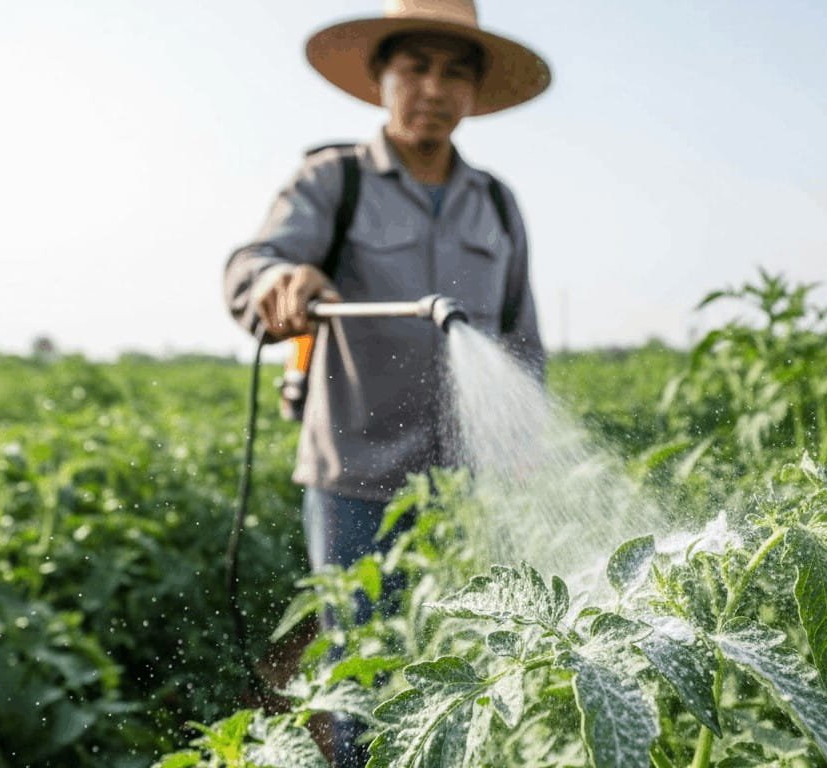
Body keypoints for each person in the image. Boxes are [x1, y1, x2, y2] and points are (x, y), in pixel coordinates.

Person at [223, 1, 549, 763]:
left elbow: (521, 338)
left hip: (463, 486)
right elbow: (253, 263)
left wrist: (526, 437)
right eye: (416, 67)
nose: (434, 88)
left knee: (456, 662)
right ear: (381, 79)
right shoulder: (332, 180)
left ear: (474, 91)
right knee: (362, 666)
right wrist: (280, 281)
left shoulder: (496, 202)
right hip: (357, 478)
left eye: (455, 72)